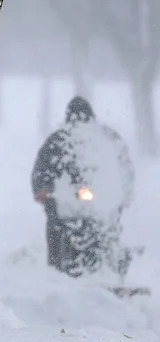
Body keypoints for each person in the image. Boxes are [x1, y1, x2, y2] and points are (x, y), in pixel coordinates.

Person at [31, 96, 134, 276]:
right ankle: (56, 271)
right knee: (57, 227)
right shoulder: (59, 140)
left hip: (99, 200)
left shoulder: (105, 139)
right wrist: (43, 190)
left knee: (108, 226)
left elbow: (123, 167)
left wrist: (123, 193)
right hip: (66, 200)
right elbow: (43, 168)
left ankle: (110, 267)